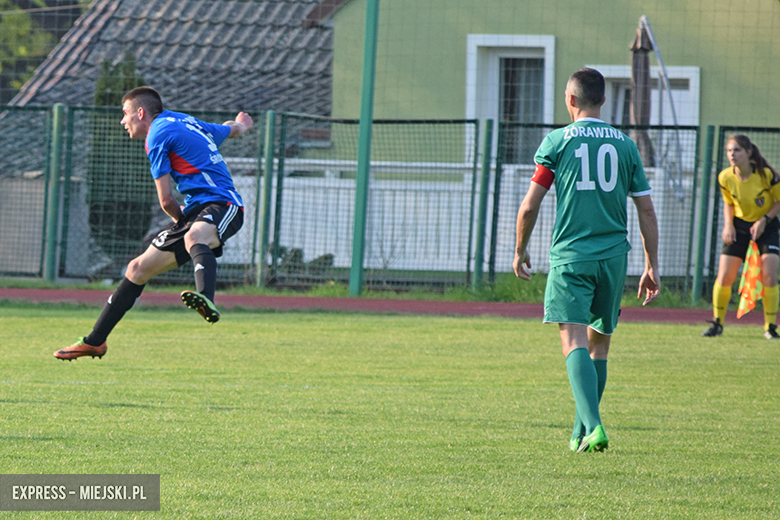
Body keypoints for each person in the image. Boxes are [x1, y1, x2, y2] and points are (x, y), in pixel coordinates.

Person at [513, 68, 660, 453]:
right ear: (604, 101)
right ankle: (581, 432)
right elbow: (646, 209)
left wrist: (520, 249)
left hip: (572, 256)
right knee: (600, 345)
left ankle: (594, 426)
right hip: (614, 258)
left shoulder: (558, 141)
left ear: (571, 100)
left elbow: (530, 206)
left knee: (572, 338)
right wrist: (651, 264)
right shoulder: (626, 146)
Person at [55, 86, 253, 360]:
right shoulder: (185, 120)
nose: (123, 121)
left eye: (125, 114)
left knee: (194, 236)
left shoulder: (157, 134)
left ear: (140, 112)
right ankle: (94, 342)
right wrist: (242, 124)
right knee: (137, 269)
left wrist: (179, 220)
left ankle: (206, 297)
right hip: (196, 210)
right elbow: (229, 129)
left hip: (223, 203)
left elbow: (166, 201)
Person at [702, 134, 780, 339]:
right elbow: (729, 203)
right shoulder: (725, 177)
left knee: (769, 274)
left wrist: (764, 220)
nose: (732, 155)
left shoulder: (765, 174)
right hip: (739, 226)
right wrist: (728, 225)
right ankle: (717, 323)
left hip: (767, 226)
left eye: (737, 150)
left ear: (748, 152)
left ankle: (770, 326)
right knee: (725, 275)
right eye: (729, 151)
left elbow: (779, 201)